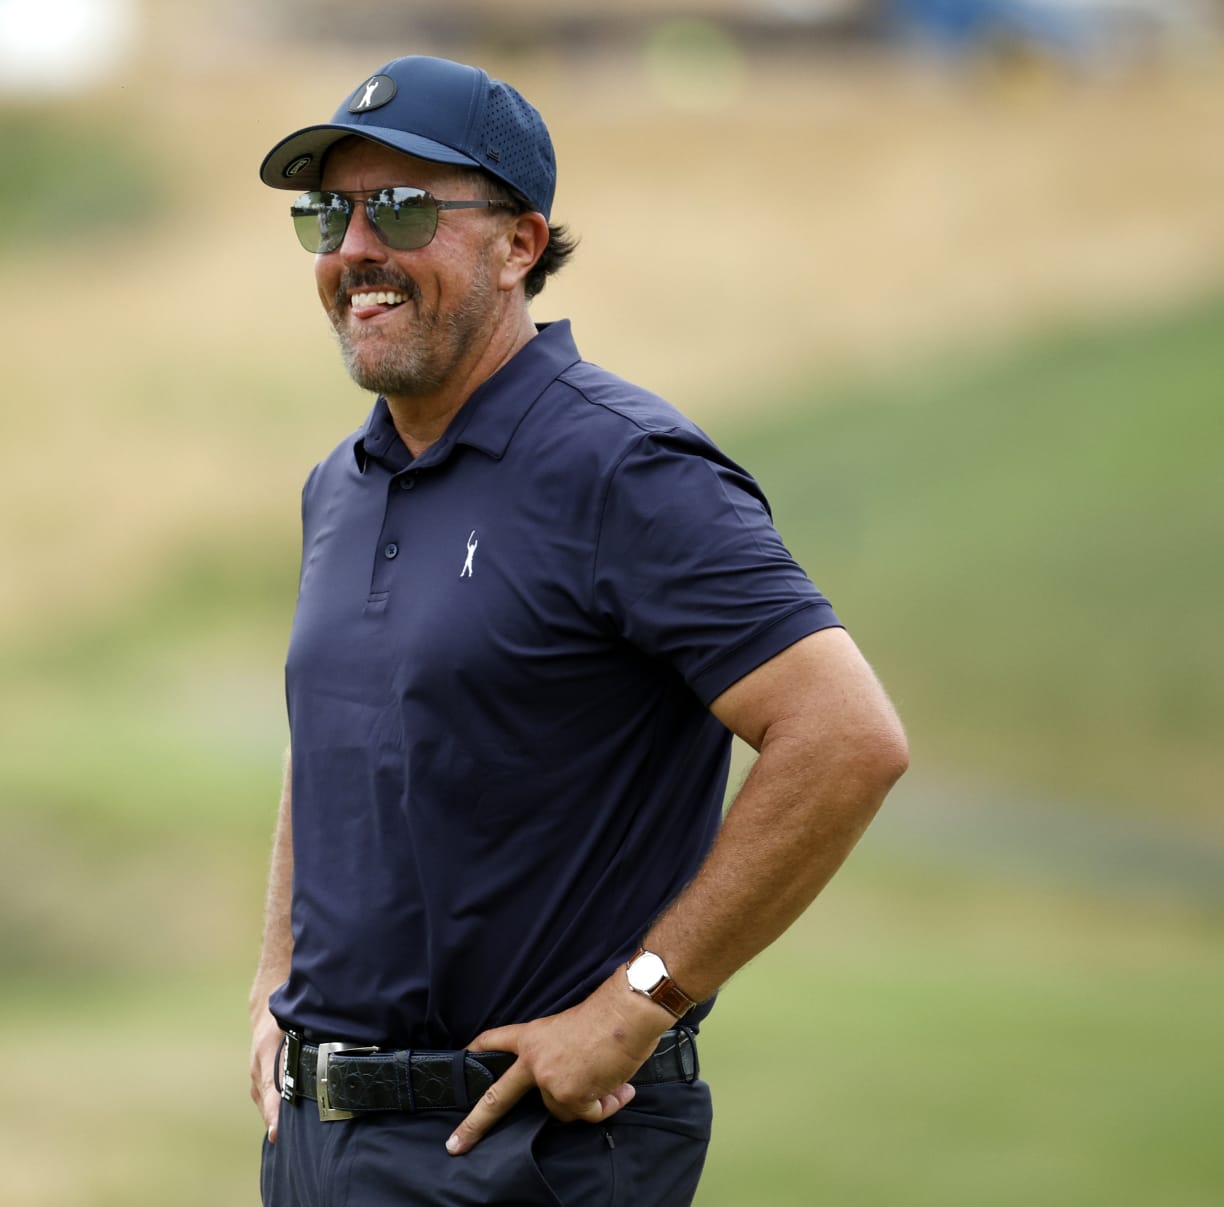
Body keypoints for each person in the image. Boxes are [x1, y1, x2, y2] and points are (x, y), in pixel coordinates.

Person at [246, 54, 909, 1206]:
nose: (355, 248)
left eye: (400, 207)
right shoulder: (341, 483)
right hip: (321, 1144)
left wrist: (639, 1002)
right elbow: (336, 736)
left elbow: (844, 735)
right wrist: (276, 981)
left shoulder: (623, 468)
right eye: (328, 213)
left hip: (527, 1150)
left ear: (518, 244)